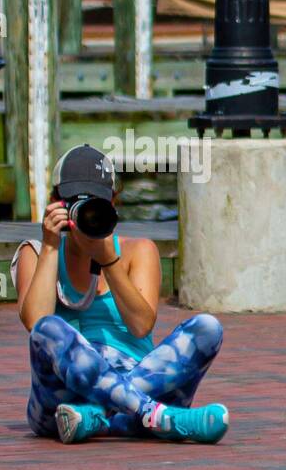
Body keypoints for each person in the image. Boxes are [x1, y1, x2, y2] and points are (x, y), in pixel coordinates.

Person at [12, 145, 229, 444]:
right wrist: (50, 246)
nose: (86, 213)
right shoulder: (35, 253)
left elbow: (140, 325)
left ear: (113, 204)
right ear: (55, 203)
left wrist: (108, 260)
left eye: (96, 204)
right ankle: (157, 417)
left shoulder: (137, 251)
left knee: (208, 328)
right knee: (48, 329)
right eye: (75, 203)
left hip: (128, 379)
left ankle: (98, 418)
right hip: (59, 399)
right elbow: (36, 323)